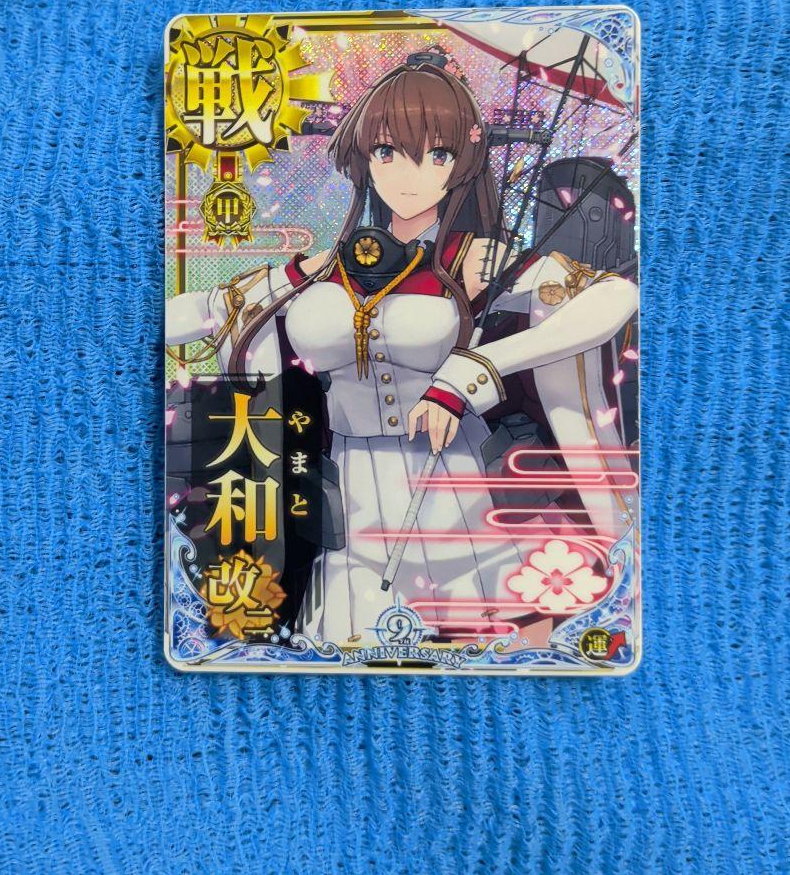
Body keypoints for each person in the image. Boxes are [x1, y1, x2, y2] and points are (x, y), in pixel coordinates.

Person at [166, 62, 637, 644]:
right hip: (350, 485)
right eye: (388, 152)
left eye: (437, 155)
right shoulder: (322, 269)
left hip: (451, 478)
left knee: (487, 631)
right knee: (348, 635)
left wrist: (477, 368)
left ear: (462, 163)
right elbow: (202, 311)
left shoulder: (475, 262)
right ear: (364, 156)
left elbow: (614, 296)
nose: (410, 177)